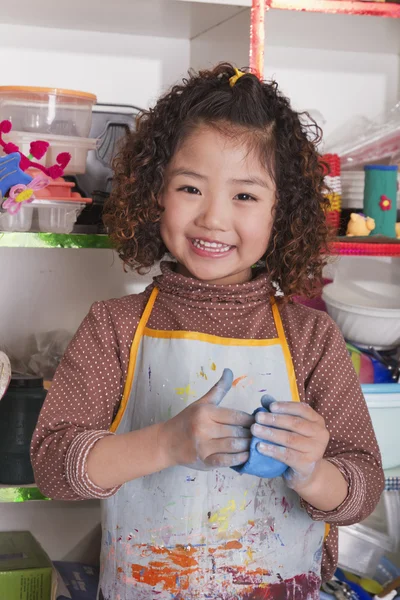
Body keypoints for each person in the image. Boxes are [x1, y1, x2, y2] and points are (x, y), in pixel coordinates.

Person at [31, 63, 384, 600]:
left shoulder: (313, 338)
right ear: (155, 193)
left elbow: (360, 492)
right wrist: (164, 444)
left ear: (280, 213)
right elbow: (54, 469)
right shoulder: (116, 327)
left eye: (245, 196)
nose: (214, 218)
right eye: (191, 187)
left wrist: (313, 471)